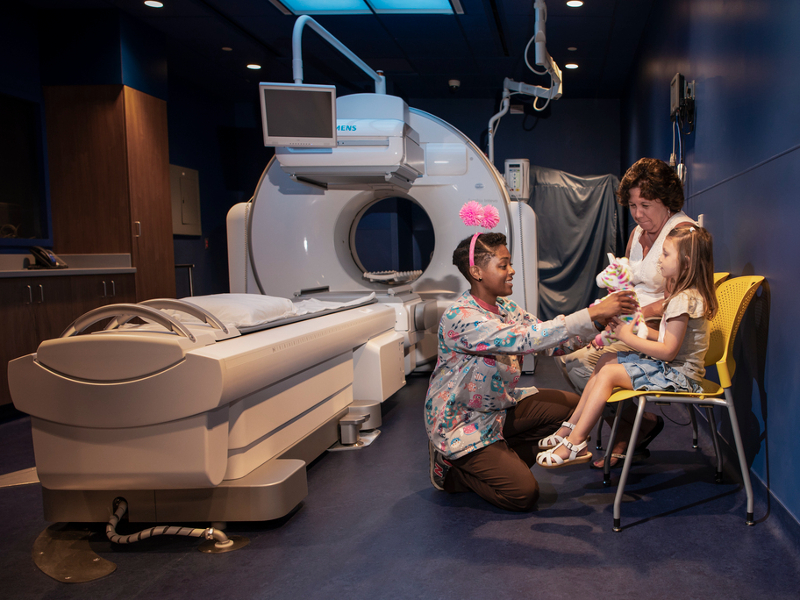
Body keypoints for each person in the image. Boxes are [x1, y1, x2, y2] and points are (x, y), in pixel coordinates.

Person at [425, 231, 636, 511]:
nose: (511, 270)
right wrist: (592, 313)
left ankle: (499, 459)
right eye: (503, 265)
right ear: (477, 272)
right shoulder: (460, 317)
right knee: (523, 494)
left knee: (573, 408)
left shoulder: (506, 308)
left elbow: (551, 343)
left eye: (509, 263)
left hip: (498, 409)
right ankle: (451, 469)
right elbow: (526, 339)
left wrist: (598, 325)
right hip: (462, 423)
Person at [537, 225, 717, 468]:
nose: (659, 261)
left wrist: (626, 336)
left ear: (685, 262)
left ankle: (576, 441)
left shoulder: (682, 299)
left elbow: (668, 351)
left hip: (681, 376)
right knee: (604, 362)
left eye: (665, 254)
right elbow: (666, 339)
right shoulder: (683, 295)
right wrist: (634, 331)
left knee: (609, 373)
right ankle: (570, 427)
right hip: (673, 369)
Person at [557, 157, 696, 467]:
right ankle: (637, 423)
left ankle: (626, 428)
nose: (638, 214)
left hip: (654, 326)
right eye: (633, 206)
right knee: (568, 356)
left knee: (583, 365)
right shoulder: (636, 234)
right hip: (628, 321)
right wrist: (608, 313)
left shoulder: (683, 233)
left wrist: (639, 313)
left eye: (646, 205)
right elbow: (626, 280)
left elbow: (685, 296)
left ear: (667, 199)